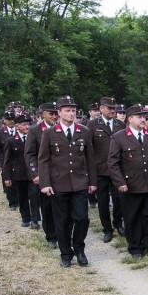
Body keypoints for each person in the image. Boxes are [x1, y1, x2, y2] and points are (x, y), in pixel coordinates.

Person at [38, 96, 97, 267]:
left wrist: (92, 181)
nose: (71, 114)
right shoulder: (49, 133)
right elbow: (43, 160)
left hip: (79, 182)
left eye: (73, 111)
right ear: (59, 113)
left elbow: (90, 158)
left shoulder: (83, 131)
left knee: (81, 218)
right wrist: (45, 183)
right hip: (59, 183)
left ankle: (79, 248)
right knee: (62, 220)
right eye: (67, 111)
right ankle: (66, 253)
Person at [108, 105, 148, 258]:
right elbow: (113, 163)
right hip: (131, 185)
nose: (143, 119)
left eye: (143, 117)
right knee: (132, 217)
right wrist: (120, 182)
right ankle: (135, 246)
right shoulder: (119, 137)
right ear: (130, 119)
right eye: (139, 117)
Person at [87, 97, 125, 243]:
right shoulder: (92, 125)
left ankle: (118, 223)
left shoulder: (120, 124)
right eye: (109, 108)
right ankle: (107, 229)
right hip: (100, 170)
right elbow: (89, 149)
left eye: (113, 108)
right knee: (102, 201)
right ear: (101, 109)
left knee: (119, 199)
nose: (112, 110)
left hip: (117, 170)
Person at [25, 102, 58, 248]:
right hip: (45, 174)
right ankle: (51, 236)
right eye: (51, 113)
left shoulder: (62, 129)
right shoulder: (35, 131)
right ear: (43, 114)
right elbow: (30, 154)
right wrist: (36, 173)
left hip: (62, 174)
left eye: (56, 113)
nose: (54, 116)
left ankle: (64, 234)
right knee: (47, 207)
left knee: (64, 207)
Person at [3, 115, 40, 228]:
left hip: (33, 174)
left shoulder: (34, 139)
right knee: (22, 197)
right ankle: (25, 218)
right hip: (18, 174)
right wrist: (7, 177)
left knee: (34, 196)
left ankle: (35, 219)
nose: (27, 126)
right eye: (24, 125)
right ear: (17, 126)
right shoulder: (11, 141)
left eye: (28, 124)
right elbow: (7, 160)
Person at [0, 110, 19, 210]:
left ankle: (20, 199)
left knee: (19, 181)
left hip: (19, 161)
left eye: (13, 119)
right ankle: (13, 203)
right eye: (8, 119)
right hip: (5, 161)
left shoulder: (20, 130)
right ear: (4, 120)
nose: (11, 121)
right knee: (7, 182)